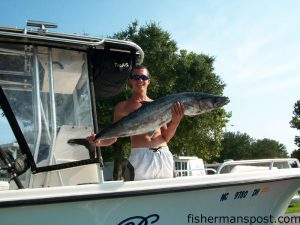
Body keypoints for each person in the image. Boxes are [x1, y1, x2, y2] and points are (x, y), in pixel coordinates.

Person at [87, 64, 184, 180]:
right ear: (130, 80)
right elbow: (113, 137)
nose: (140, 80)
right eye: (136, 77)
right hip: (140, 157)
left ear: (149, 81)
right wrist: (97, 141)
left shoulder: (158, 104)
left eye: (143, 77)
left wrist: (176, 122)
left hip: (163, 155)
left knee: (168, 195)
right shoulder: (122, 107)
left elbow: (165, 137)